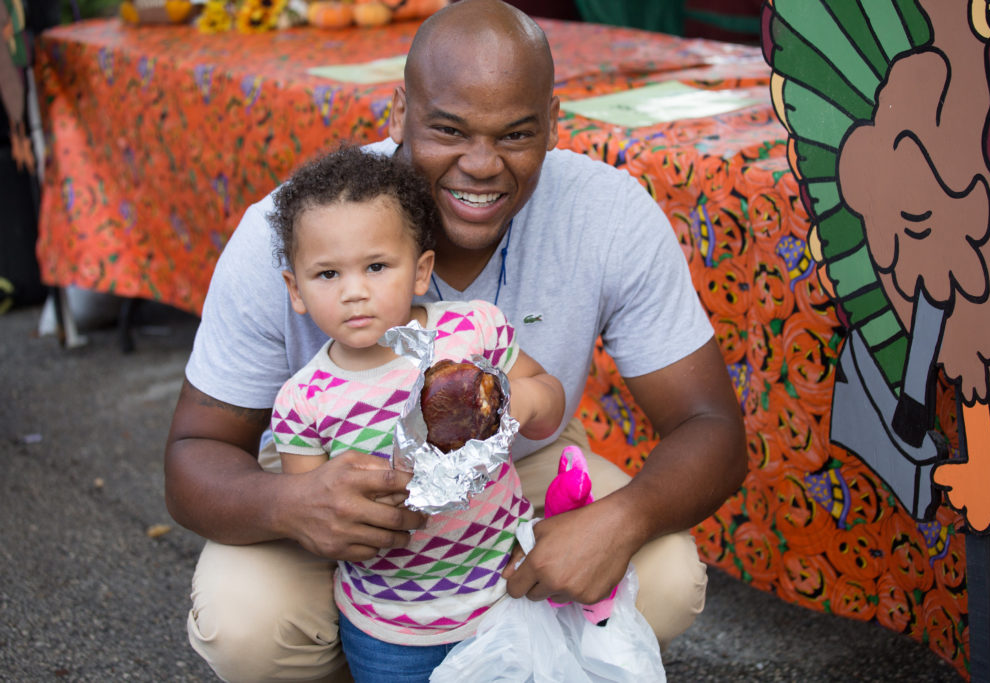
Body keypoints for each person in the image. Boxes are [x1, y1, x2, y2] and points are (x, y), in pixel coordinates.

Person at [165, 0, 748, 680]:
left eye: (516, 134)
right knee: (246, 623)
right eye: (448, 129)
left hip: (516, 469)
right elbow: (192, 455)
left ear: (554, 124)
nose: (481, 164)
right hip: (331, 487)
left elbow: (711, 426)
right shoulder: (299, 232)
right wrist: (288, 504)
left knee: (666, 576)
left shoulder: (606, 215)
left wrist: (620, 521)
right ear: (398, 112)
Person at [264, 144, 565, 681]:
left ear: (421, 270)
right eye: (327, 275)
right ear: (296, 290)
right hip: (388, 630)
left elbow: (548, 400)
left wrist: (513, 402)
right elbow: (314, 520)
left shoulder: (471, 331)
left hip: (505, 599)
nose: (355, 292)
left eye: (377, 266)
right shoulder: (302, 402)